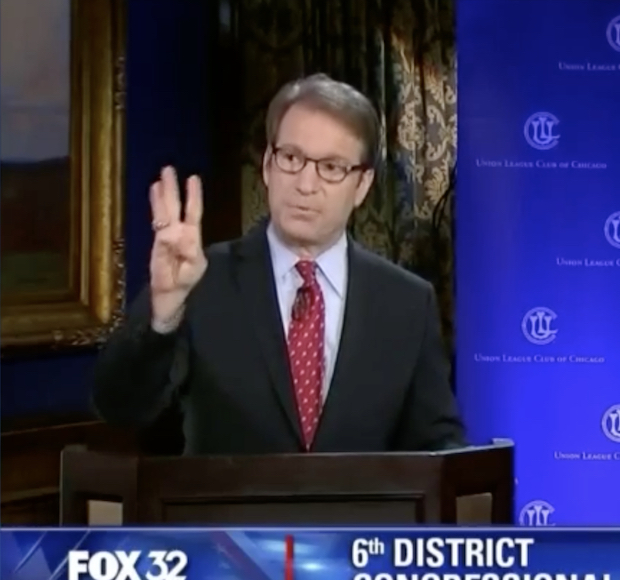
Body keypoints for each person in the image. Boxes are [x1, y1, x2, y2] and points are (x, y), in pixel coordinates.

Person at [93, 74, 466, 454]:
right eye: (291, 158)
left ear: (363, 185)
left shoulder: (406, 302)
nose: (305, 184)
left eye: (332, 167)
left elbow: (438, 446)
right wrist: (164, 316)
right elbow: (120, 409)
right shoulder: (200, 281)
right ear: (269, 165)